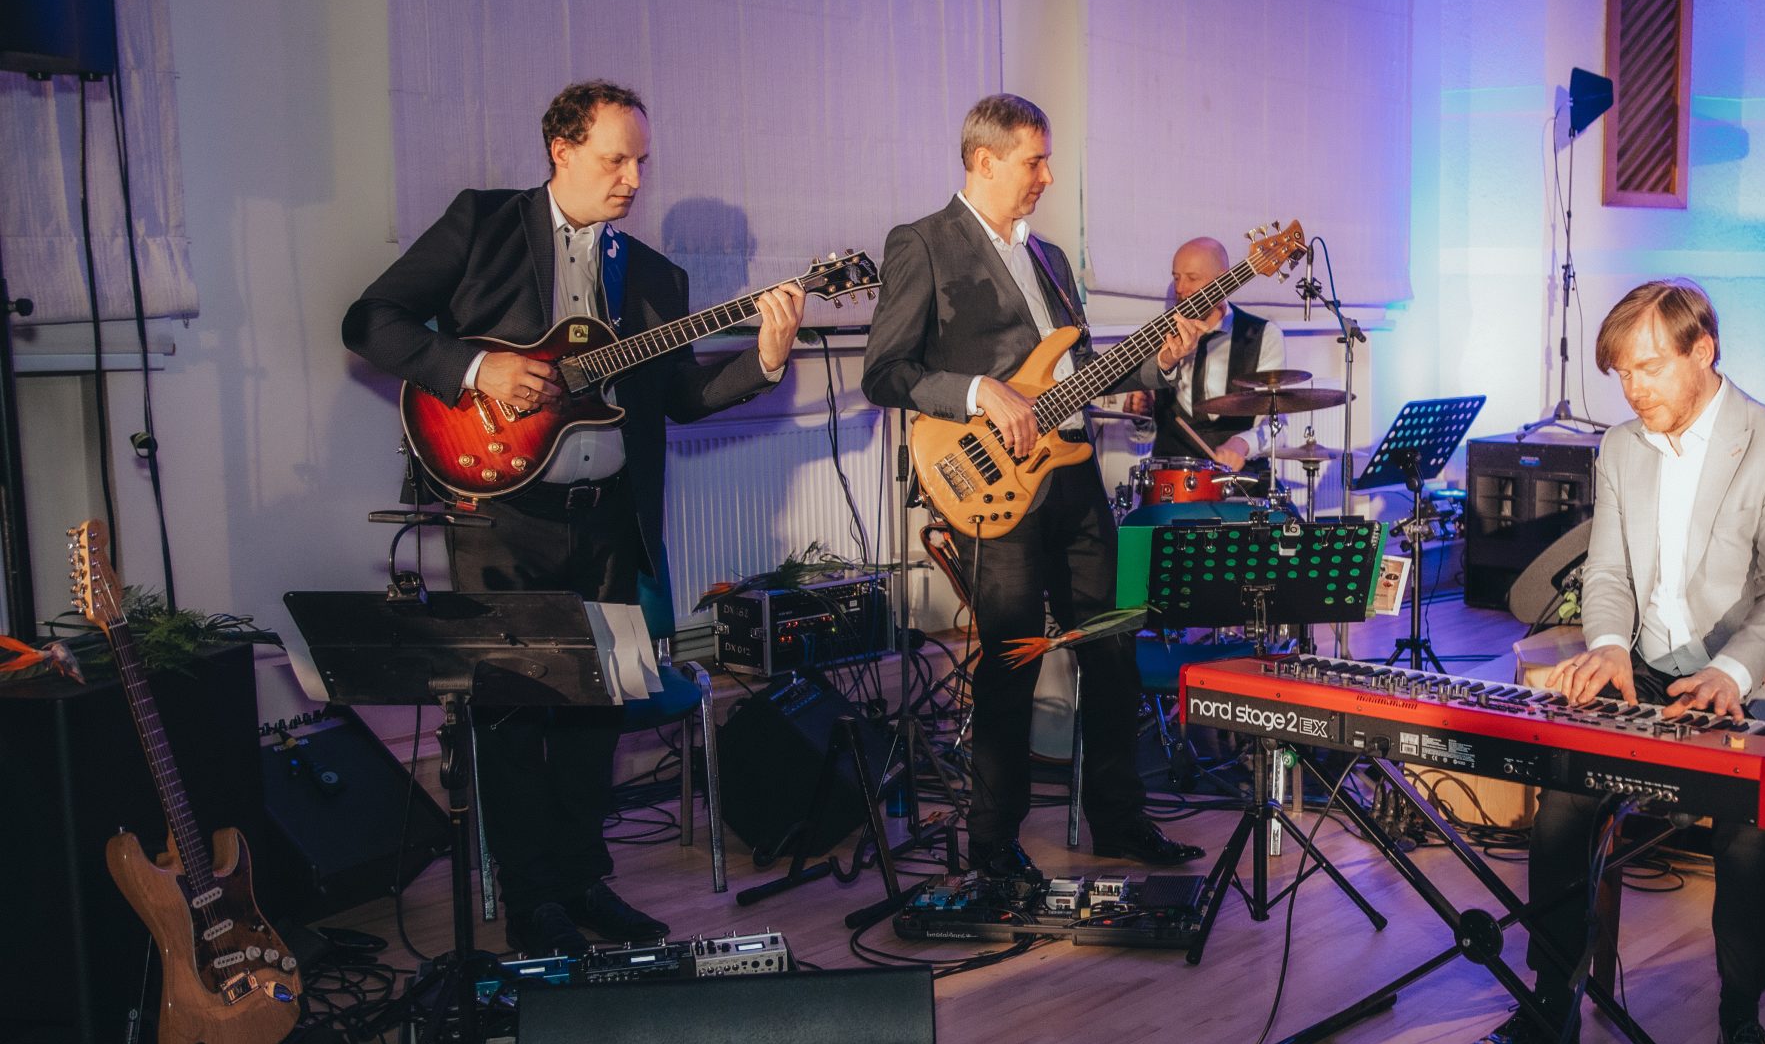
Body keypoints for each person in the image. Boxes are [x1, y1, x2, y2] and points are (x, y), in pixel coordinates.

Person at [344, 80, 806, 959]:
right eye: (614, 159)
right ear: (561, 150)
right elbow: (370, 320)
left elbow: (681, 397)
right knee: (516, 715)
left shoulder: (656, 276)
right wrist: (476, 369)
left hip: (609, 524)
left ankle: (581, 877)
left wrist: (766, 359)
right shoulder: (482, 224)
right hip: (501, 514)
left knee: (599, 708)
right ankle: (531, 900)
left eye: (642, 162)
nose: (633, 178)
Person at [1465, 279, 1765, 1044]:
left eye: (1649, 368)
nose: (1633, 390)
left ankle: (1741, 1020)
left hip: (1753, 672)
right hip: (1652, 668)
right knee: (1562, 800)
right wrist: (1607, 646)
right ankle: (1547, 1001)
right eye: (1622, 374)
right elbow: (1607, 572)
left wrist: (1728, 672)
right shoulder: (1623, 447)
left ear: (1703, 350)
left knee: (1746, 829)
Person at [862, 94, 1216, 879]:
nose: (1048, 176)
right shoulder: (923, 243)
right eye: (1035, 161)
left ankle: (1120, 819)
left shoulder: (1050, 257)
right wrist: (977, 392)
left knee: (1115, 643)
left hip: (1073, 473)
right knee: (1012, 657)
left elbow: (1081, 369)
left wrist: (1164, 357)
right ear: (984, 161)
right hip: (990, 485)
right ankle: (993, 843)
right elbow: (885, 372)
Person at [1131, 237, 1271, 473]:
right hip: (1171, 482)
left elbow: (1276, 423)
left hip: (1237, 482)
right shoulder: (1158, 335)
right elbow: (1144, 437)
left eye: (1192, 278)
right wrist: (1139, 416)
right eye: (1176, 278)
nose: (1180, 288)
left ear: (1223, 281)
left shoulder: (1263, 335)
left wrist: (1242, 444)